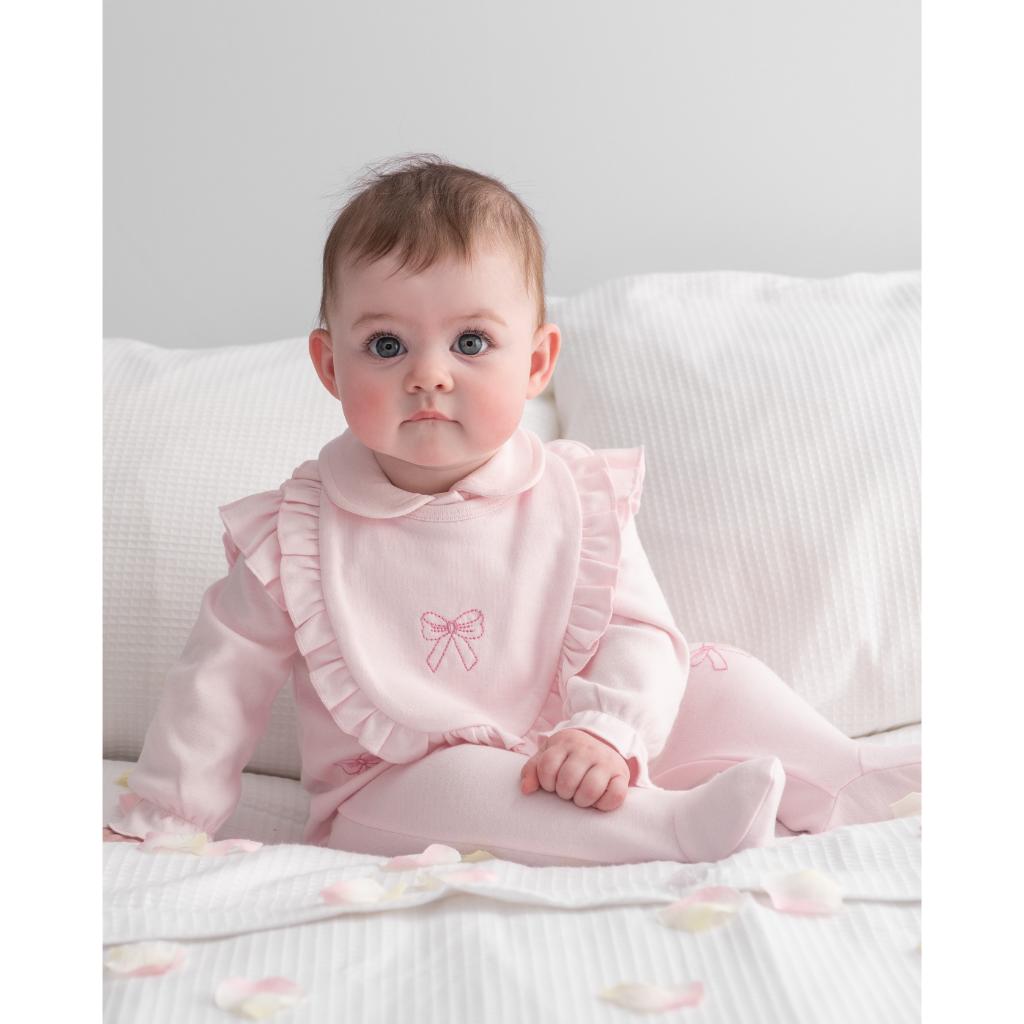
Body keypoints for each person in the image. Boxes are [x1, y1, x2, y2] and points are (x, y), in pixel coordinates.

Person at [104, 154, 921, 867]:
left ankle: (845, 778)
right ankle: (670, 830)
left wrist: (611, 731)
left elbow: (639, 633)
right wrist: (165, 818)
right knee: (462, 783)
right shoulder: (296, 535)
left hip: (581, 738)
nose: (429, 374)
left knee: (715, 670)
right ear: (328, 364)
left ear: (535, 363)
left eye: (470, 343)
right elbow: (217, 683)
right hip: (395, 788)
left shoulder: (576, 496)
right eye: (387, 345)